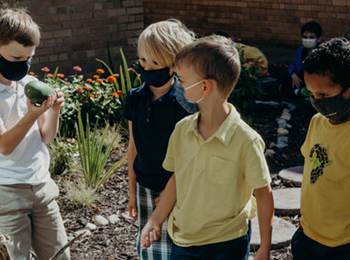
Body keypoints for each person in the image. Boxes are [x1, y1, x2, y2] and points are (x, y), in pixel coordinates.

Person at [140, 35, 274, 260]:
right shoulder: (182, 130)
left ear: (204, 87)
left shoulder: (246, 140)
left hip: (228, 244)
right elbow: (177, 178)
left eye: (181, 80)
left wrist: (265, 248)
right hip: (184, 241)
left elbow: (263, 193)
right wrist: (155, 219)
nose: (178, 85)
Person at [0, 5, 70, 260]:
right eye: (16, 59)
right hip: (6, 191)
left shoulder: (28, 84)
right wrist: (31, 115)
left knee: (59, 255)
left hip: (41, 185)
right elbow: (3, 145)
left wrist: (54, 111)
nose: (23, 65)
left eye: (29, 58)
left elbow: (46, 137)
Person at [122, 19, 198, 259]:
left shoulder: (184, 103)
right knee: (150, 248)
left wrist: (171, 191)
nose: (147, 67)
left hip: (178, 188)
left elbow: (192, 155)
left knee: (178, 248)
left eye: (155, 63)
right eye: (143, 60)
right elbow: (133, 147)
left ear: (174, 64)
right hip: (145, 185)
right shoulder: (135, 98)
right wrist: (132, 191)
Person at [291, 38, 350, 260]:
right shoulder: (317, 122)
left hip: (343, 246)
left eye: (324, 95)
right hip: (307, 236)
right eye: (312, 94)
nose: (317, 101)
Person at [286, 21, 322, 96]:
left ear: (319, 39)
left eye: (311, 37)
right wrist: (293, 74)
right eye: (305, 37)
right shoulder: (301, 50)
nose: (308, 40)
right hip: (301, 79)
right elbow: (293, 65)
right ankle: (300, 92)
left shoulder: (322, 52)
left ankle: (299, 92)